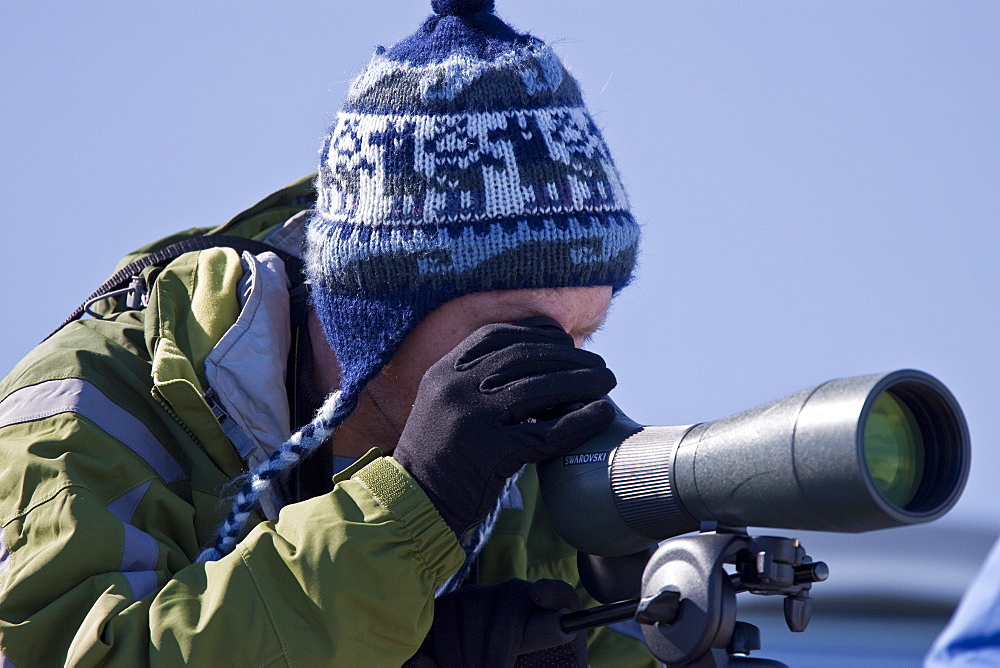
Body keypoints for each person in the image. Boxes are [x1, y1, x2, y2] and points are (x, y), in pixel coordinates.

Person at [0, 0, 655, 664]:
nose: (553, 370)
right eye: (515, 331)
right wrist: (410, 513)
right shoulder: (82, 418)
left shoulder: (531, 474)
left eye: (582, 335)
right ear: (382, 303)